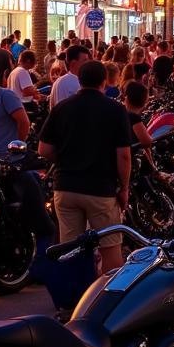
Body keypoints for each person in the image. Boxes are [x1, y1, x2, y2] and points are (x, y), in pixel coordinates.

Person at [39, 59, 132, 273]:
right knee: (110, 249)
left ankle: (74, 297)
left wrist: (65, 159)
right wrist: (124, 188)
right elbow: (124, 156)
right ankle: (106, 299)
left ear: (79, 80)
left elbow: (43, 149)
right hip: (101, 190)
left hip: (65, 188)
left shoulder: (62, 108)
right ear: (105, 81)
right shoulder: (115, 110)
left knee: (72, 250)